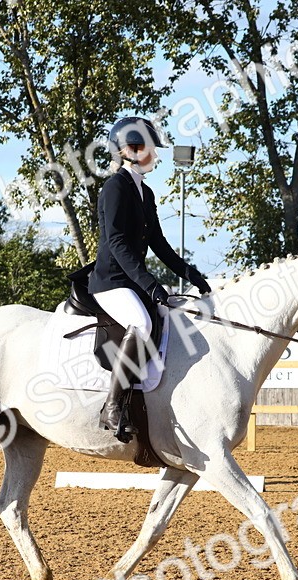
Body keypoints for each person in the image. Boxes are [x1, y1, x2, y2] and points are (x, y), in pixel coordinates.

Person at [91, 116, 211, 441]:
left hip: (131, 282)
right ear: (130, 150)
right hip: (110, 282)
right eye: (150, 149)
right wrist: (150, 284)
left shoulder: (146, 192)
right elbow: (117, 243)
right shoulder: (115, 187)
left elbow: (158, 242)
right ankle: (112, 407)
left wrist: (190, 273)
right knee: (142, 324)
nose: (155, 155)